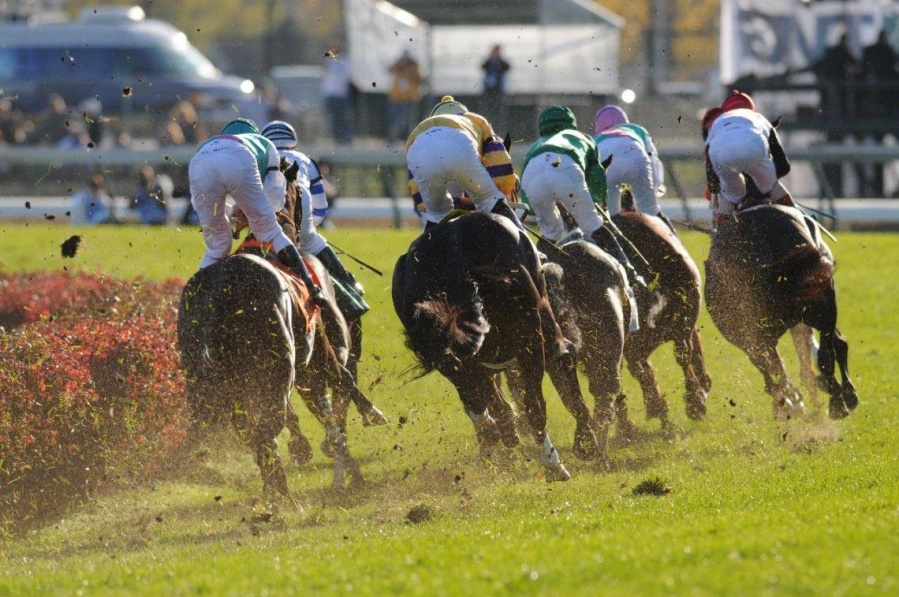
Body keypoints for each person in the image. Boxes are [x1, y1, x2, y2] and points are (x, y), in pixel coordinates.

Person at [188, 117, 326, 304]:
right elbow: (276, 200)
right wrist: (252, 214)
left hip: (198, 162)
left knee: (217, 246)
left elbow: (201, 206)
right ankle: (312, 288)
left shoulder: (211, 145)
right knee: (270, 231)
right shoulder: (264, 144)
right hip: (239, 158)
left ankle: (194, 300)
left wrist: (232, 212)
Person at [520, 104, 644, 291]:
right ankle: (630, 274)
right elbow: (596, 177)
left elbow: (525, 189)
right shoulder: (582, 138)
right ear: (571, 124)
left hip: (532, 178)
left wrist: (534, 205)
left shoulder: (536, 145)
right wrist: (595, 197)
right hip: (567, 172)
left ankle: (535, 281)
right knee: (593, 225)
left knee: (550, 233)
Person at [260, 119, 367, 306]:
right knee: (314, 242)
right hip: (302, 206)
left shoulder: (259, 159)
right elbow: (321, 207)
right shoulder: (306, 160)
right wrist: (306, 230)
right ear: (294, 143)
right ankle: (349, 285)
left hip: (267, 211)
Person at [405, 95, 521, 229]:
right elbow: (502, 172)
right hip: (460, 146)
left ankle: (420, 250)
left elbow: (420, 202)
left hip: (419, 150)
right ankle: (526, 247)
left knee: (436, 215)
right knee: (492, 201)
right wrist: (502, 194)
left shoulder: (423, 132)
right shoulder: (474, 122)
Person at [704, 91, 793, 230]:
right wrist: (766, 186)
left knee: (727, 198)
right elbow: (784, 167)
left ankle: (721, 240)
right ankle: (798, 224)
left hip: (722, 158)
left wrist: (724, 192)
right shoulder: (759, 119)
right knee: (774, 188)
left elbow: (712, 178)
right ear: (751, 108)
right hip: (754, 150)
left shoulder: (717, 124)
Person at [592, 105, 672, 230]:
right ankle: (675, 243)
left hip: (606, 163)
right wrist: (652, 196)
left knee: (610, 220)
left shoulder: (595, 139)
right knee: (651, 212)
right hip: (636, 157)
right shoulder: (637, 130)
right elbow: (654, 163)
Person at [860, 30, 898, 196]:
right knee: (877, 154)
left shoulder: (872, 53)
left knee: (876, 156)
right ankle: (877, 189)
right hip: (888, 109)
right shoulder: (888, 53)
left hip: (877, 110)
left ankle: (877, 189)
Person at [387, 50, 422, 143]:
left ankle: (411, 141)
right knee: (395, 121)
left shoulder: (414, 69)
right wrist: (399, 64)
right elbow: (389, 70)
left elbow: (419, 79)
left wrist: (410, 68)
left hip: (410, 100)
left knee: (410, 122)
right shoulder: (398, 68)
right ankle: (392, 140)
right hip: (397, 99)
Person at [322, 45, 353, 145]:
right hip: (332, 94)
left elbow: (349, 76)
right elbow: (324, 70)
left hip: (342, 94)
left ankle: (346, 139)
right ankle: (337, 139)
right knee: (335, 118)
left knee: (344, 118)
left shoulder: (346, 61)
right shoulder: (329, 61)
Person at [481, 45, 511, 134]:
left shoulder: (501, 62)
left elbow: (508, 67)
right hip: (488, 91)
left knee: (499, 112)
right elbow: (483, 66)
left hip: (499, 91)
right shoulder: (489, 62)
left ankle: (499, 131)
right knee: (488, 111)